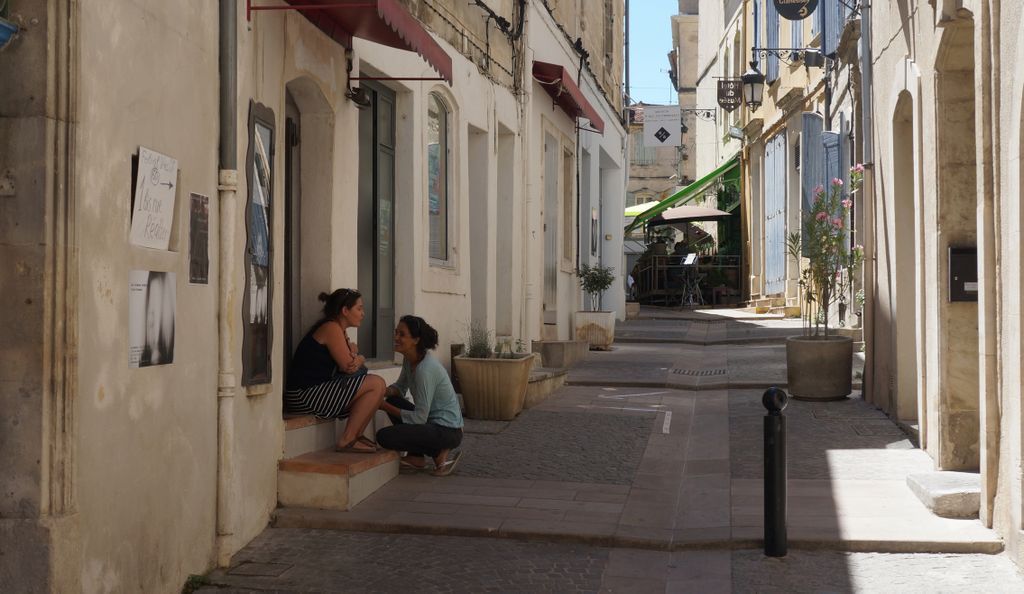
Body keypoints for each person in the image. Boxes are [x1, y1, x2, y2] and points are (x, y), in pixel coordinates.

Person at [285, 288, 387, 453]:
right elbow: (349, 367)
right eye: (359, 308)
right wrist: (359, 357)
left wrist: (354, 355)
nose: (363, 313)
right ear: (345, 310)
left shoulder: (339, 329)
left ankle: (355, 436)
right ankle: (347, 439)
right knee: (376, 384)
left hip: (314, 391)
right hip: (304, 395)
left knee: (379, 386)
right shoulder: (331, 328)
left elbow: (349, 364)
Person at [376, 315, 464, 476]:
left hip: (447, 431)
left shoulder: (425, 370)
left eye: (402, 334)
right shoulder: (409, 360)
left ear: (416, 340)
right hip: (429, 423)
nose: (396, 337)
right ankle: (416, 457)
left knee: (383, 437)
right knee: (394, 400)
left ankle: (438, 452)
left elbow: (419, 419)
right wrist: (380, 391)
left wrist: (382, 406)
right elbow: (400, 388)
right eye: (396, 332)